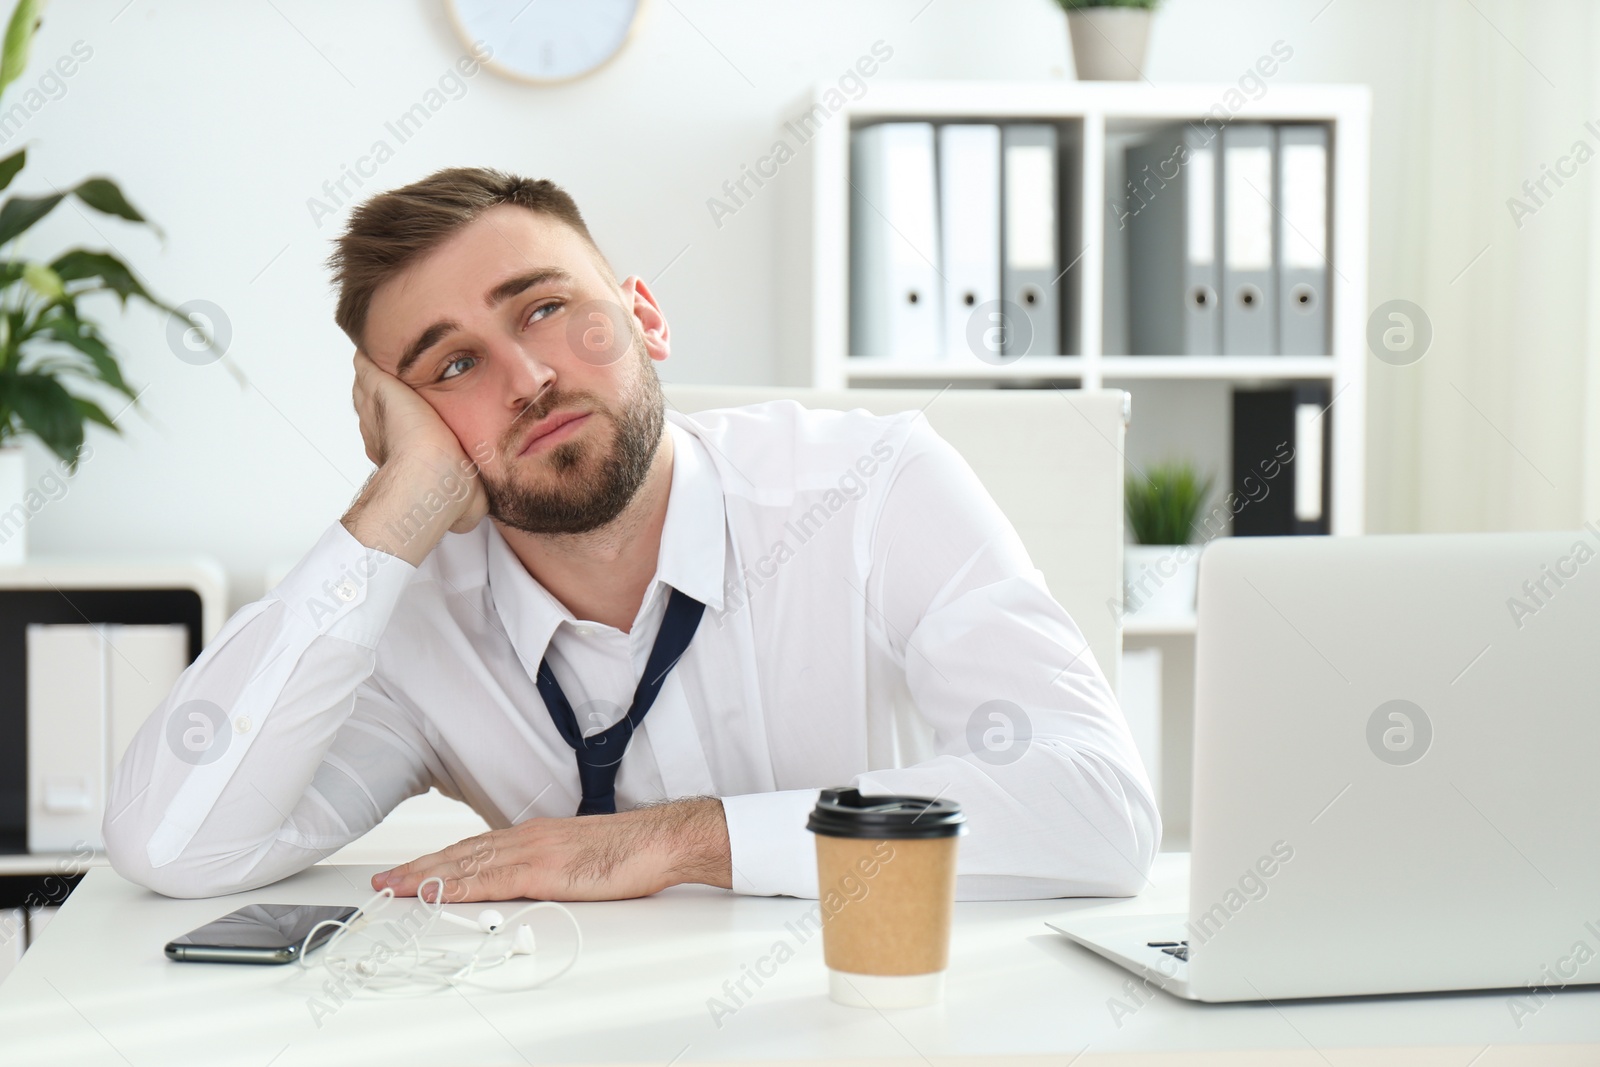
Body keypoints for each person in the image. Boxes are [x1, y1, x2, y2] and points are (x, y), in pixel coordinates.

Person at [103, 167, 1159, 904]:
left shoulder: (869, 483)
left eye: (546, 307)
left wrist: (676, 842)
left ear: (643, 317)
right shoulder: (412, 622)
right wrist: (397, 505)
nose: (528, 379)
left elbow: (1097, 806)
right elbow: (174, 840)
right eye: (451, 367)